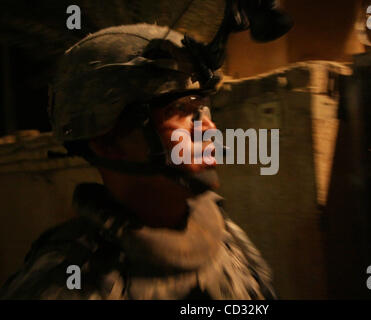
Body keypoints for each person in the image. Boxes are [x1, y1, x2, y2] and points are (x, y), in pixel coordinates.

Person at [0, 23, 276, 300]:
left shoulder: (225, 235)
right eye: (182, 109)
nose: (209, 129)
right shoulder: (67, 283)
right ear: (107, 143)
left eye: (202, 107)